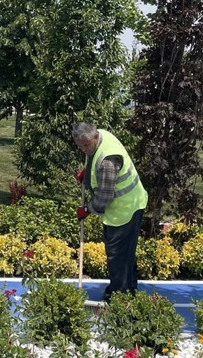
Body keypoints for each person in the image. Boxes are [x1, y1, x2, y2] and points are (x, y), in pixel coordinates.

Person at [72, 122, 147, 302]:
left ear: (95, 137)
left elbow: (103, 199)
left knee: (117, 256)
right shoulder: (102, 137)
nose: (83, 149)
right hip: (132, 203)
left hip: (124, 211)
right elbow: (94, 158)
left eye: (86, 145)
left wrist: (87, 209)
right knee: (126, 254)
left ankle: (117, 297)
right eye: (79, 146)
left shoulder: (107, 161)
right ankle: (129, 292)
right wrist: (89, 173)